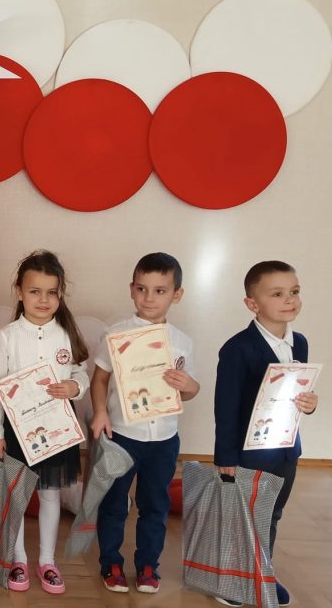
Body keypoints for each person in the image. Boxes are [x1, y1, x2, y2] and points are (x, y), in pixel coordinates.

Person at [89, 253, 200, 594]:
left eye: (160, 290)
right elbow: (99, 379)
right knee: (114, 501)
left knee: (155, 504)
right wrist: (100, 412)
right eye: (142, 289)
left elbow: (190, 391)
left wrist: (188, 385)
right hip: (122, 433)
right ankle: (110, 562)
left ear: (176, 295)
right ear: (132, 290)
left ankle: (148, 564)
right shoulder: (116, 334)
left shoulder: (182, 342)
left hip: (164, 437)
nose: (149, 298)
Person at [213, 261, 317, 608]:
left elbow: (295, 394)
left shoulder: (299, 342)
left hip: (285, 450)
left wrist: (309, 404)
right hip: (248, 453)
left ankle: (261, 573)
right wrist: (226, 457)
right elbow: (225, 406)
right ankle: (232, 580)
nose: (289, 300)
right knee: (243, 518)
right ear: (252, 303)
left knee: (271, 515)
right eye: (277, 294)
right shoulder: (237, 348)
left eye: (294, 292)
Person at [0, 250, 88, 595]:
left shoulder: (66, 333)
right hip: (16, 432)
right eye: (34, 291)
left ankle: (47, 560)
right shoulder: (8, 336)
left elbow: (80, 371)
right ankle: (18, 558)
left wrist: (75, 386)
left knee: (50, 495)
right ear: (19, 291)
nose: (43, 300)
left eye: (51, 292)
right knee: (17, 497)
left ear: (60, 294)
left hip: (56, 430)